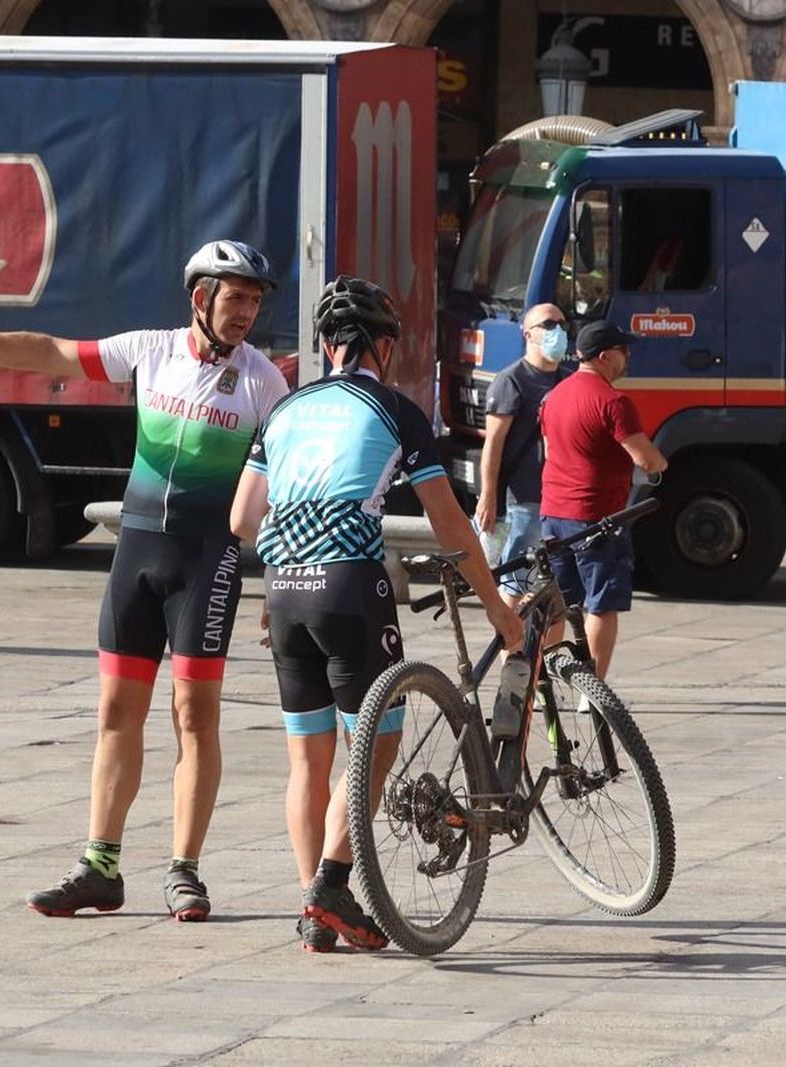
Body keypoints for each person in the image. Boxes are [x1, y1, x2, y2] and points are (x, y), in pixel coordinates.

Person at [0, 240, 290, 922]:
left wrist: (282, 575)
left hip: (209, 561)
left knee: (193, 718)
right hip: (138, 553)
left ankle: (184, 869)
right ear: (199, 297)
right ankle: (100, 866)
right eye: (235, 297)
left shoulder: (266, 382)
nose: (247, 312)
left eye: (256, 300)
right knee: (116, 712)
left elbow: (285, 487)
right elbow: (50, 352)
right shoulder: (152, 350)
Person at [230, 276, 522, 953]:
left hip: (283, 589)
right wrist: (497, 607)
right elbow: (450, 525)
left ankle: (315, 910)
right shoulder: (394, 409)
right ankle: (331, 883)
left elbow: (242, 517)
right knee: (374, 749)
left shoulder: (284, 410)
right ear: (382, 346)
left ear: (326, 345)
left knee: (307, 762)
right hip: (349, 588)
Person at [538, 320, 667, 680]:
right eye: (624, 351)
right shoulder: (613, 401)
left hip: (553, 512)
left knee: (558, 602)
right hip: (598, 517)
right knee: (601, 604)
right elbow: (644, 458)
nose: (628, 357)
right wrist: (661, 463)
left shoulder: (554, 395)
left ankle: (543, 680)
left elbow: (550, 450)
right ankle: (591, 688)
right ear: (606, 356)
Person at [473, 303, 573, 606]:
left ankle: (541, 654)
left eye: (562, 325)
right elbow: (493, 443)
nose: (558, 331)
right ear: (528, 333)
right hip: (523, 501)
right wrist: (488, 495)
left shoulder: (568, 380)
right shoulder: (512, 380)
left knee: (551, 591)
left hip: (559, 502)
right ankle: (512, 652)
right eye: (549, 324)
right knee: (515, 587)